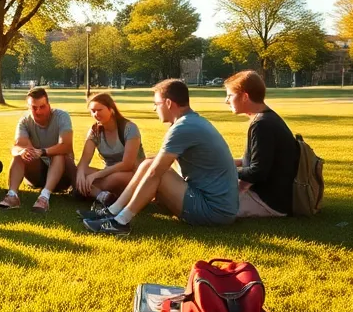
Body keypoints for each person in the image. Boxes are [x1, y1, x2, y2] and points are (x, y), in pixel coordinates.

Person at [81, 79, 238, 234]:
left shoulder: (183, 127)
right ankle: (112, 211)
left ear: (168, 103)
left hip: (213, 211)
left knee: (154, 169)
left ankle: (120, 222)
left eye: (156, 104)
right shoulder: (191, 121)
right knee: (149, 162)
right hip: (218, 206)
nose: (154, 109)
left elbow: (155, 172)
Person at [224, 70, 297, 218]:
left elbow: (258, 172)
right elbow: (260, 162)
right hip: (274, 198)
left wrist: (221, 169)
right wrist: (231, 163)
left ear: (245, 96)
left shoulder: (262, 124)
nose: (226, 100)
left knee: (203, 204)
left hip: (269, 202)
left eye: (230, 95)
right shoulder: (267, 118)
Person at [0, 87, 74, 213]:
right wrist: (21, 151)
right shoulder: (25, 121)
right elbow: (18, 146)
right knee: (21, 154)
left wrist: (43, 151)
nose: (38, 111)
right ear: (28, 107)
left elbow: (66, 146)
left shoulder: (62, 116)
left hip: (63, 176)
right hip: (37, 174)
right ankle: (12, 195)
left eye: (42, 107)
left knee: (59, 154)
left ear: (49, 105)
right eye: (34, 107)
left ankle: (44, 197)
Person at [74, 92, 144, 205]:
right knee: (77, 171)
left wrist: (95, 175)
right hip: (107, 173)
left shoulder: (129, 128)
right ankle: (100, 195)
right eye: (93, 111)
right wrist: (80, 174)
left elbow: (127, 164)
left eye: (99, 110)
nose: (96, 114)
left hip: (131, 174)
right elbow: (84, 161)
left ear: (111, 109)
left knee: (114, 178)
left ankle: (86, 190)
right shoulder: (94, 131)